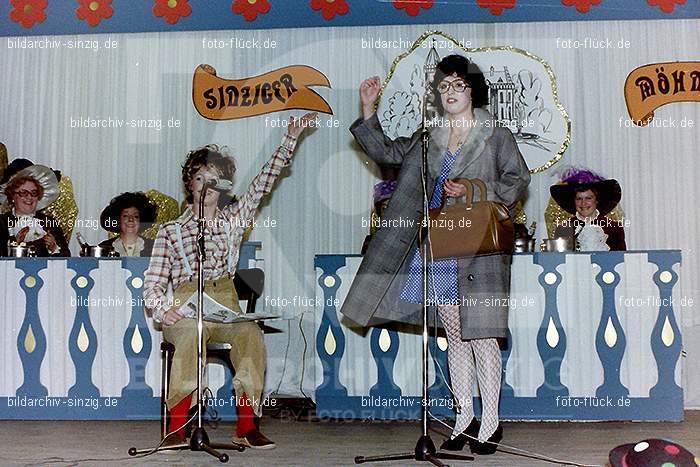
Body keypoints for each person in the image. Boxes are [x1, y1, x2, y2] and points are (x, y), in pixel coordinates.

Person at [340, 55, 530, 455]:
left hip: (480, 247)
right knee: (455, 337)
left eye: (458, 85)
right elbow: (388, 154)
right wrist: (368, 109)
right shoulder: (430, 137)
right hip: (441, 245)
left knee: (483, 337)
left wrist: (477, 189)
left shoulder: (495, 134)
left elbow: (518, 179)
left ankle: (491, 422)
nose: (450, 93)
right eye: (443, 86)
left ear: (473, 90)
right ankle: (464, 418)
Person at [143, 112, 316, 449]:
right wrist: (164, 310)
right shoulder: (170, 231)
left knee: (250, 333)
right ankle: (177, 428)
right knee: (192, 333)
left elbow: (262, 184)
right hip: (184, 305)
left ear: (223, 187)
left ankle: (247, 425)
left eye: (215, 178)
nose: (207, 185)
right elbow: (151, 285)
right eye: (200, 178)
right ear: (189, 184)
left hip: (225, 302)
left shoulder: (234, 220)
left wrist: (290, 139)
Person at [0, 163, 70, 257]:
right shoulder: (2, 222)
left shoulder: (49, 223)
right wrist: (14, 246)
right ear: (12, 196)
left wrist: (54, 248)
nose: (29, 197)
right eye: (24, 193)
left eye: (34, 193)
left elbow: (66, 257)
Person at [551, 169, 626, 251]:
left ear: (596, 200)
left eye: (588, 198)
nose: (583, 203)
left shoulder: (614, 228)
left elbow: (621, 260)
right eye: (579, 198)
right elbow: (558, 260)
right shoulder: (563, 228)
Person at [99, 192, 157, 257]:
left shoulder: (156, 247)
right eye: (125, 216)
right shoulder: (104, 248)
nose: (131, 219)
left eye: (136, 216)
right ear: (117, 220)